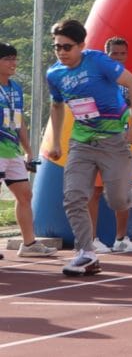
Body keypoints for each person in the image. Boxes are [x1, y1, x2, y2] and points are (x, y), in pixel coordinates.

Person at [45, 19, 132, 277]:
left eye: (67, 47)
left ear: (82, 45)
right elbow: (57, 105)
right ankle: (86, 253)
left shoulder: (98, 61)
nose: (61, 52)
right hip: (81, 143)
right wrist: (56, 141)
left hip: (113, 141)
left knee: (116, 200)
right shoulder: (54, 74)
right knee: (73, 198)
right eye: (57, 47)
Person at [0, 42, 56, 259]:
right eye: (7, 59)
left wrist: (28, 151)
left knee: (25, 195)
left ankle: (29, 244)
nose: (13, 63)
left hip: (12, 151)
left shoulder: (14, 88)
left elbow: (17, 120)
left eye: (14, 58)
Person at [87, 37, 132, 254]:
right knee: (95, 191)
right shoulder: (94, 81)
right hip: (96, 141)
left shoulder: (128, 83)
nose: (117, 57)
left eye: (121, 54)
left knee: (122, 189)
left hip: (120, 143)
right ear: (105, 54)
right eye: (113, 54)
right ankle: (91, 239)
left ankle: (121, 239)